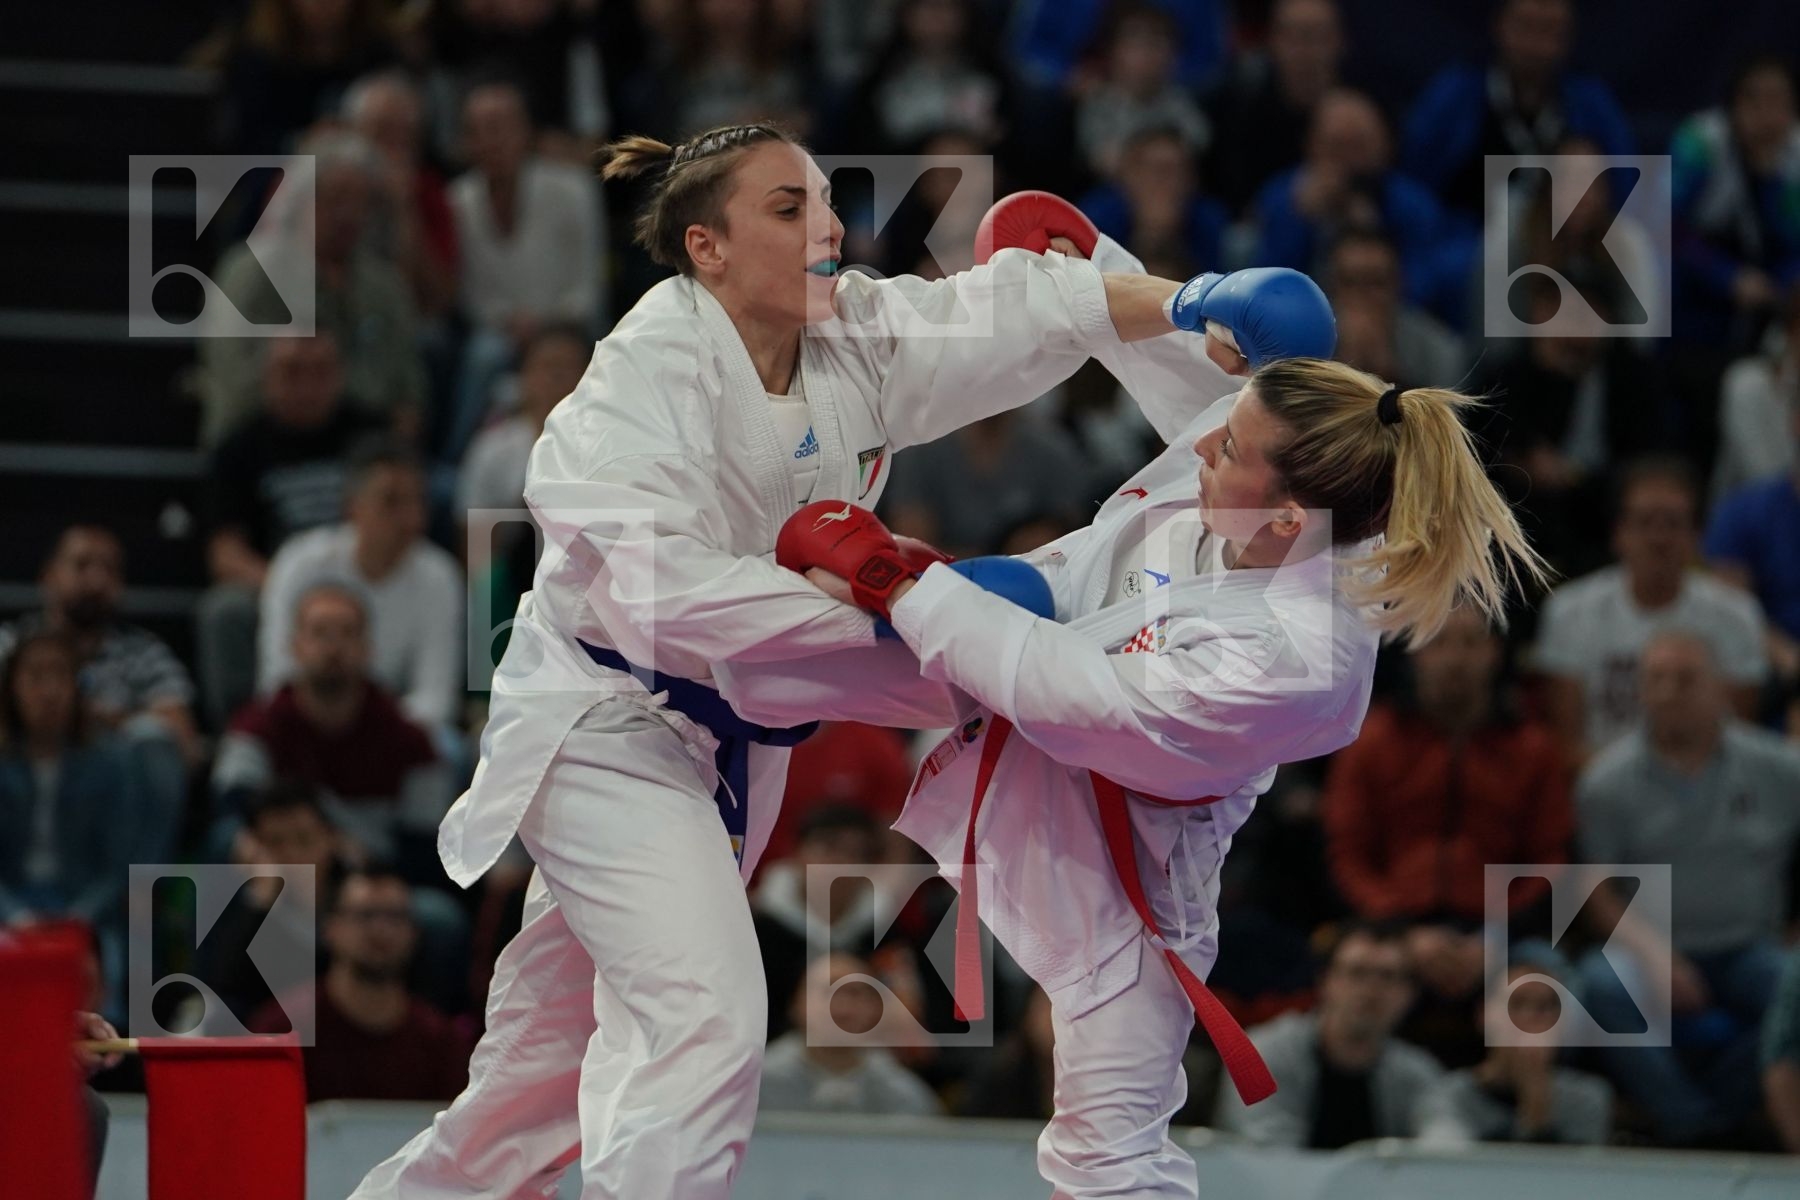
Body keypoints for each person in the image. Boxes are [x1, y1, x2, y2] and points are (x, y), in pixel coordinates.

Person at [351, 128, 1239, 1200]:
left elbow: (1006, 310)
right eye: (787, 207)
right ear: (706, 247)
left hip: (735, 741)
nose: (827, 225)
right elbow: (659, 593)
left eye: (826, 200)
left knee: (539, 1082)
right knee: (707, 1016)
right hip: (607, 723)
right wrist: (898, 600)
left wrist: (1191, 305)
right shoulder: (634, 388)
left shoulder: (849, 331)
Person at [720, 194, 1542, 1198]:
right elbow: (1192, 377)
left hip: (1126, 882)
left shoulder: (1300, 664)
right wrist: (1105, 267)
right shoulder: (1275, 468)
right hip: (1045, 622)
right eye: (1222, 430)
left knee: (1108, 1161)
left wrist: (909, 582)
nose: (1201, 447)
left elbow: (1077, 702)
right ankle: (647, 644)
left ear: (1288, 518)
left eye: (1228, 451)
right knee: (769, 632)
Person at [1574, 630, 1800, 1146]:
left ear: (1720, 687)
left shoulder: (1778, 768)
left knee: (1796, 987)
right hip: (1651, 948)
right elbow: (1595, 890)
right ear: (1640, 691)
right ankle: (1692, 1127)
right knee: (1599, 986)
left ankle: (1713, 1118)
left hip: (1751, 947)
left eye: (1687, 678)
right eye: (1657, 679)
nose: (1671, 691)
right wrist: (1656, 956)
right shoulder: (1606, 782)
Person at [1323, 604, 1571, 1066]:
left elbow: (1550, 859)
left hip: (1501, 931)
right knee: (1361, 973)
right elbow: (1347, 855)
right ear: (1414, 652)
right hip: (1392, 926)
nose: (1455, 658)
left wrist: (1494, 939)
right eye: (1439, 642)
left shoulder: (1533, 748)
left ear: (1495, 653)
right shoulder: (1372, 740)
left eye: (1471, 643)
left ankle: (1535, 1122)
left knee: (1545, 984)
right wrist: (1402, 932)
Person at [198, 332, 381, 730]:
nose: (306, 385)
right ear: (267, 376)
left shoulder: (370, 435)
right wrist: (287, 584)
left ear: (340, 376)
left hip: (366, 575)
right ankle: (241, 732)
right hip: (272, 583)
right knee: (225, 610)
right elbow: (224, 552)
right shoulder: (238, 446)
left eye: (319, 372)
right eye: (292, 372)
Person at [1535, 459, 1767, 765]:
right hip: (1602, 787)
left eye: (1672, 522)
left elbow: (1739, 740)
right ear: (1619, 533)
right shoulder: (1569, 612)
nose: (1659, 538)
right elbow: (1566, 743)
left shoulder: (1738, 614)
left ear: (1697, 536)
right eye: (1645, 521)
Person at [258, 437, 465, 733]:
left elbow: (435, 699)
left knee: (447, 747)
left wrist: (367, 730)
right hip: (305, 724)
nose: (410, 518)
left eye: (417, 501)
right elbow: (278, 679)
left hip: (395, 735)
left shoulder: (439, 576)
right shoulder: (299, 564)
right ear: (353, 507)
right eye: (391, 502)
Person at [447, 79, 604, 463]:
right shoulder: (458, 201)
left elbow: (588, 283)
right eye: (479, 131)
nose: (491, 140)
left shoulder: (573, 189)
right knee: (485, 353)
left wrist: (547, 324)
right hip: (502, 334)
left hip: (570, 325)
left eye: (500, 127)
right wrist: (509, 322)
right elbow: (469, 293)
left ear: (525, 132)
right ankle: (460, 457)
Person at [1213, 924, 1473, 1148]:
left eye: (1388, 976)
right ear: (1325, 981)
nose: (1371, 990)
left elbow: (1447, 1143)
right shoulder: (1265, 1052)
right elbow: (1268, 1158)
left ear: (1410, 995)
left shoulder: (1415, 1071)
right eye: (1357, 972)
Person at [250, 865, 472, 1102]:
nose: (381, 930)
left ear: (414, 933)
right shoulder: (283, 1029)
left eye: (395, 917)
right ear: (330, 928)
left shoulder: (440, 1042)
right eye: (365, 915)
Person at [1401, 0, 1633, 223]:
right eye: (1526, 26)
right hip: (1469, 244)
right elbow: (1415, 184)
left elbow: (1625, 187)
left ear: (1568, 37)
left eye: (1550, 30)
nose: (1536, 44)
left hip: (1564, 245)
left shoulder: (1592, 104)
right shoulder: (1455, 95)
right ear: (1499, 25)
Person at [1442, 960, 1613, 1144]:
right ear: (1485, 1016)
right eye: (1515, 1004)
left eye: (1543, 1008)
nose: (1528, 1018)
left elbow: (1580, 1171)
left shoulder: (1585, 1100)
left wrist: (1537, 1106)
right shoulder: (1451, 1098)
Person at [757, 952, 943, 1116]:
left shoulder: (905, 1097)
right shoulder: (754, 1087)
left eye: (855, 993)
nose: (842, 1008)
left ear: (876, 1009)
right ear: (796, 1004)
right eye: (829, 991)